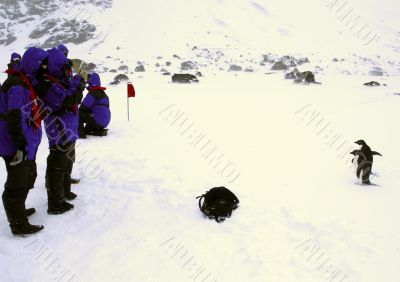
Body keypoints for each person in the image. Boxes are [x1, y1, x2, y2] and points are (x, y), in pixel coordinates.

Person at [0, 47, 48, 235]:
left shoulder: (24, 82)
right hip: (12, 142)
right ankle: (18, 224)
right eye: (42, 65)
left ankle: (19, 209)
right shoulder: (17, 85)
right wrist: (20, 146)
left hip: (21, 140)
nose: (44, 69)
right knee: (17, 181)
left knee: (28, 176)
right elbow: (14, 116)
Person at [38, 48, 85, 214]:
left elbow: (73, 97)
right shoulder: (50, 84)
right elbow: (67, 100)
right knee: (57, 166)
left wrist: (77, 82)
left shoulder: (59, 81)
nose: (68, 71)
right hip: (59, 129)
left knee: (66, 163)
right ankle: (55, 203)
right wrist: (78, 81)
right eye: (65, 67)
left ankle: (64, 191)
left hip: (67, 128)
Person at [79, 73, 111, 138]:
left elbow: (83, 107)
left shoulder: (93, 93)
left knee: (78, 113)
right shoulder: (104, 94)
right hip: (105, 121)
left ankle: (81, 134)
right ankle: (100, 131)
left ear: (91, 82)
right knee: (87, 130)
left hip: (97, 119)